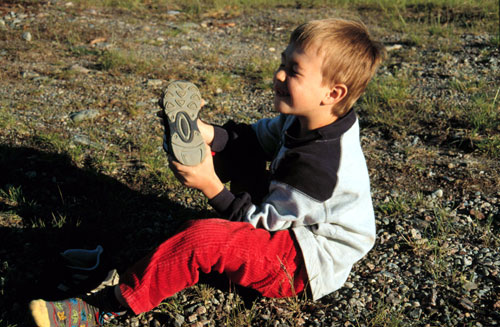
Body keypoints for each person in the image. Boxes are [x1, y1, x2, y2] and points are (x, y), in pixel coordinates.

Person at [30, 18, 385, 327]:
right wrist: (204, 132)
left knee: (201, 239)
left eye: (293, 70)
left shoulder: (319, 169)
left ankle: (105, 308)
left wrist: (211, 187)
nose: (278, 74)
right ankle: (200, 158)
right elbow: (253, 140)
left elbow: (260, 226)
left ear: (332, 92)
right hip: (290, 217)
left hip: (298, 264)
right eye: (283, 61)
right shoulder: (306, 118)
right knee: (243, 155)